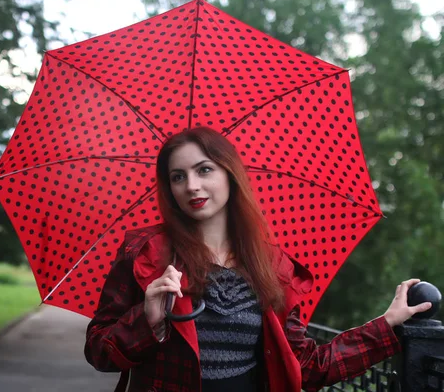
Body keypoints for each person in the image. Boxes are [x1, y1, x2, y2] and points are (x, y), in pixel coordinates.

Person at [84, 127, 431, 392]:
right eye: (178, 176)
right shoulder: (146, 254)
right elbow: (99, 352)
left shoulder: (270, 265)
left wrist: (386, 327)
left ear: (229, 173)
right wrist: (148, 320)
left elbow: (306, 365)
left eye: (204, 170)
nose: (191, 185)